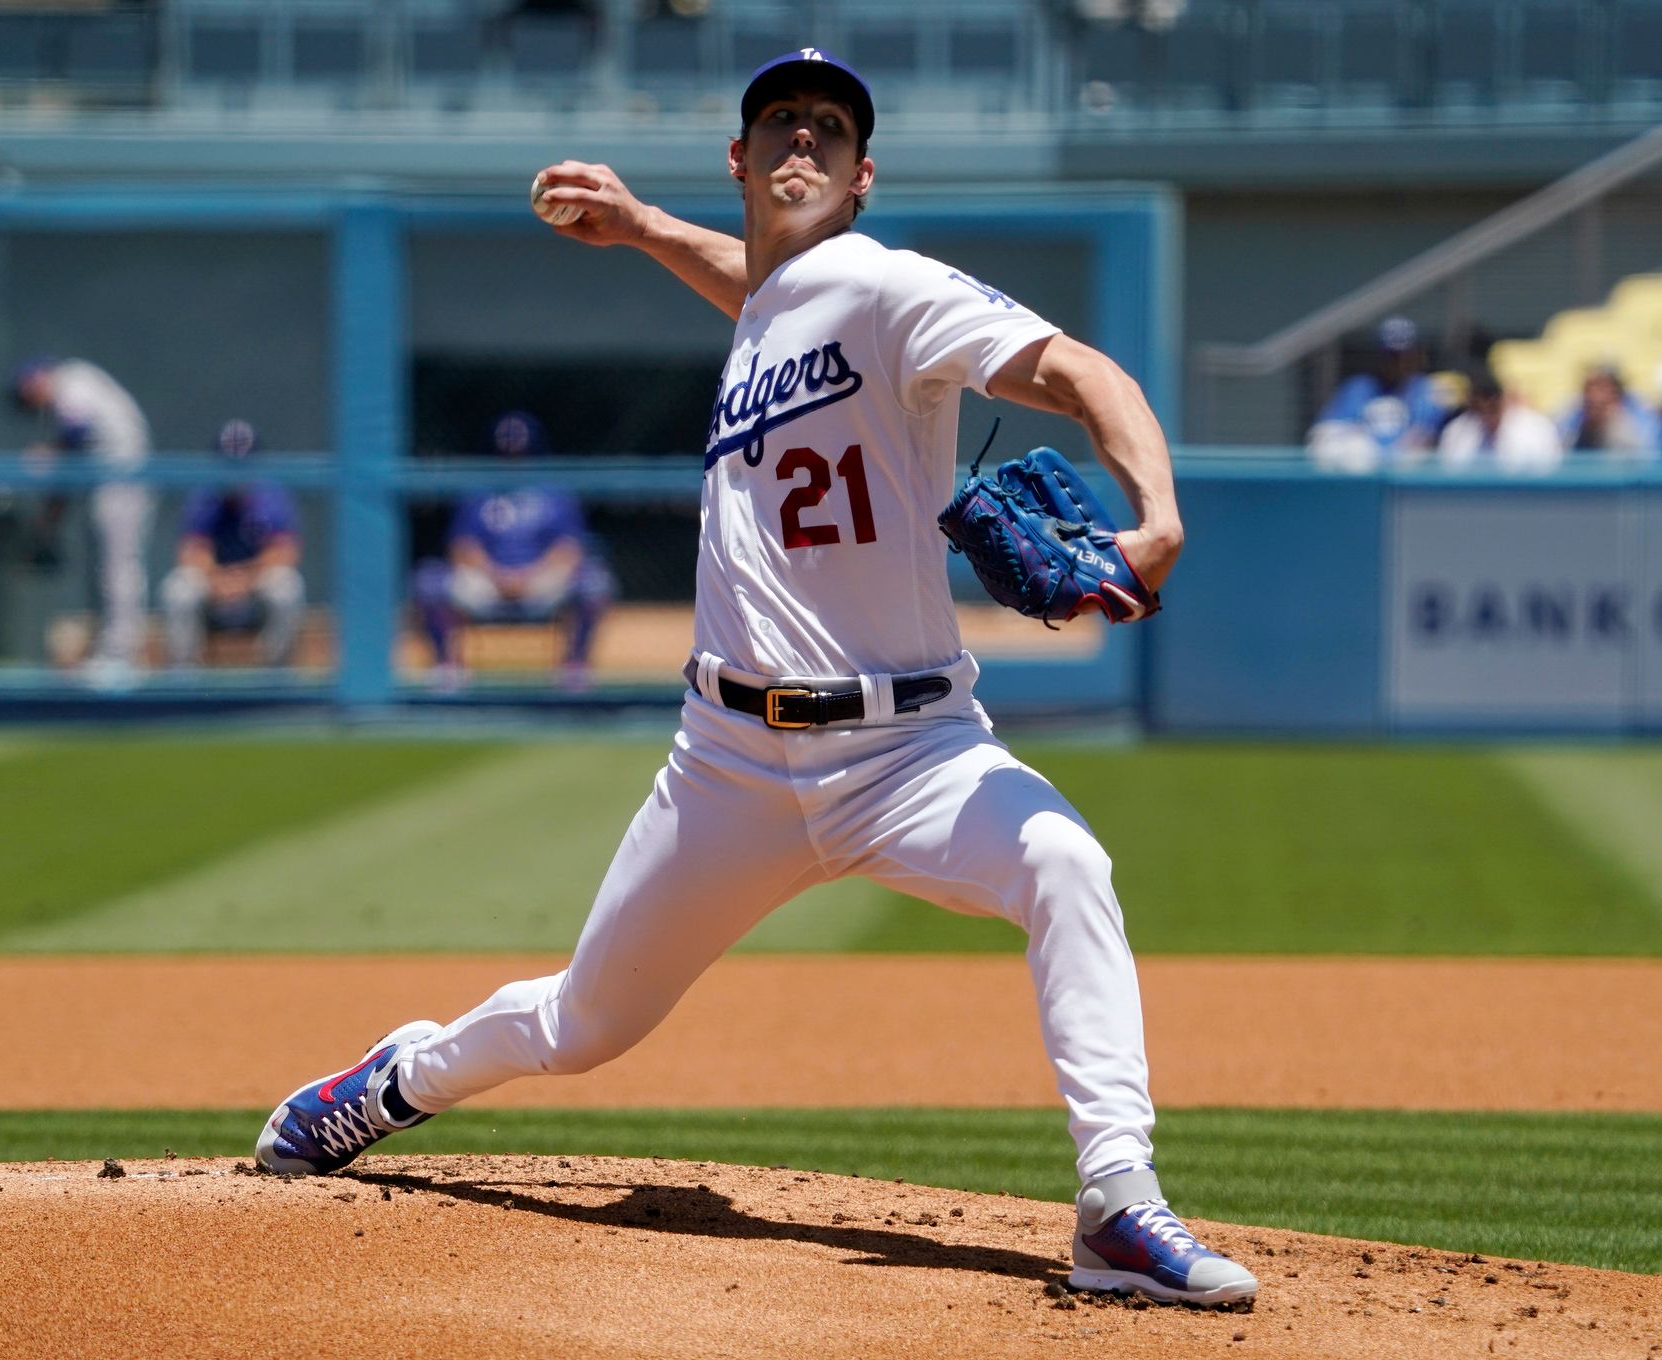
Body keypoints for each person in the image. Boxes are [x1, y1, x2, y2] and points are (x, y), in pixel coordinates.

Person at [257, 49, 1257, 1307]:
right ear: (741, 159)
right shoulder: (780, 300)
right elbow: (759, 284)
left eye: (830, 131)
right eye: (780, 122)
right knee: (584, 1024)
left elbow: (1076, 372)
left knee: (1065, 861)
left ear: (860, 176)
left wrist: (1154, 512)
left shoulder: (892, 287)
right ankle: (389, 1084)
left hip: (913, 752)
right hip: (727, 762)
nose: (803, 142)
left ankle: (1118, 1201)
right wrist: (637, 227)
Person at [410, 410, 616, 690]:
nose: (514, 461)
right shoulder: (477, 491)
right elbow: (461, 547)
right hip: (487, 582)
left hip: (541, 580)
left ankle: (574, 667)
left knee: (594, 582)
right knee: (429, 581)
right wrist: (497, 575)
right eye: (505, 455)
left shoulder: (555, 492)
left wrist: (528, 574)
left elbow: (569, 549)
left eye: (523, 454)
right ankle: (448, 667)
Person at [8, 356, 152, 679]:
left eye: (26, 394)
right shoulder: (63, 395)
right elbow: (67, 467)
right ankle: (111, 652)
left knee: (119, 567)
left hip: (122, 474)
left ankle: (122, 656)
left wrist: (49, 455)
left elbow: (76, 432)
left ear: (35, 379)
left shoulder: (71, 380)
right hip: (104, 478)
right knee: (104, 569)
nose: (30, 403)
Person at [159, 420, 306, 669]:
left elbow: (285, 551)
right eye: (229, 464)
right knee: (177, 590)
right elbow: (191, 551)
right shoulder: (204, 495)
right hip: (213, 583)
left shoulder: (272, 494)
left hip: (256, 583)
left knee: (287, 588)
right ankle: (183, 674)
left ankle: (278, 675)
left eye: (243, 464)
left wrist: (244, 580)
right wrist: (219, 580)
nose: (236, 473)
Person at [1304, 315, 1446, 470]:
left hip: (1412, 479)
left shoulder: (1429, 390)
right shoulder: (1358, 388)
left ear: (1416, 355)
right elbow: (1326, 434)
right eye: (1392, 356)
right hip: (1362, 477)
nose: (1399, 363)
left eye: (1405, 355)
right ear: (1379, 355)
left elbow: (1426, 439)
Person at [1435, 367, 1563, 472]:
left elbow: (1549, 473)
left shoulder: (1538, 429)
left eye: (1493, 401)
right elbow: (1449, 474)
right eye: (1480, 403)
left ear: (1504, 398)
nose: (1487, 408)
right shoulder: (1457, 431)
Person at [1559, 361, 1658, 457]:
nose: (1594, 396)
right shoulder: (1572, 429)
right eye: (1590, 388)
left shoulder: (1626, 438)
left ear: (1617, 397)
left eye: (1602, 388)